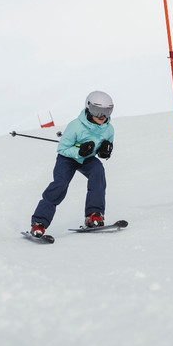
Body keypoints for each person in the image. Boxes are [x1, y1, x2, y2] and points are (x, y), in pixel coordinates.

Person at [29, 91, 115, 238]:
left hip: (87, 159)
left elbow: (103, 151)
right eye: (97, 111)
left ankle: (94, 215)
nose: (102, 116)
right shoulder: (75, 126)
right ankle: (39, 223)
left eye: (106, 111)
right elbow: (62, 148)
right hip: (67, 159)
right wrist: (79, 152)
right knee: (60, 185)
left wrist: (104, 152)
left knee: (98, 171)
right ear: (88, 108)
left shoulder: (108, 129)